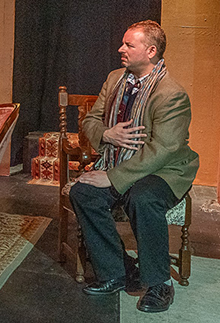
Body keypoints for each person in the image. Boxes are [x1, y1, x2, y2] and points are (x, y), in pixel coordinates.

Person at [69, 20, 198, 313]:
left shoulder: (170, 94)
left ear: (151, 51)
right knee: (83, 193)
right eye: (123, 43)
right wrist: (106, 133)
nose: (121, 49)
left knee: (143, 196)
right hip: (118, 160)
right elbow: (91, 120)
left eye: (129, 44)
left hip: (164, 170)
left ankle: (159, 283)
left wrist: (112, 178)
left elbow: (162, 149)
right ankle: (118, 271)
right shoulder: (115, 78)